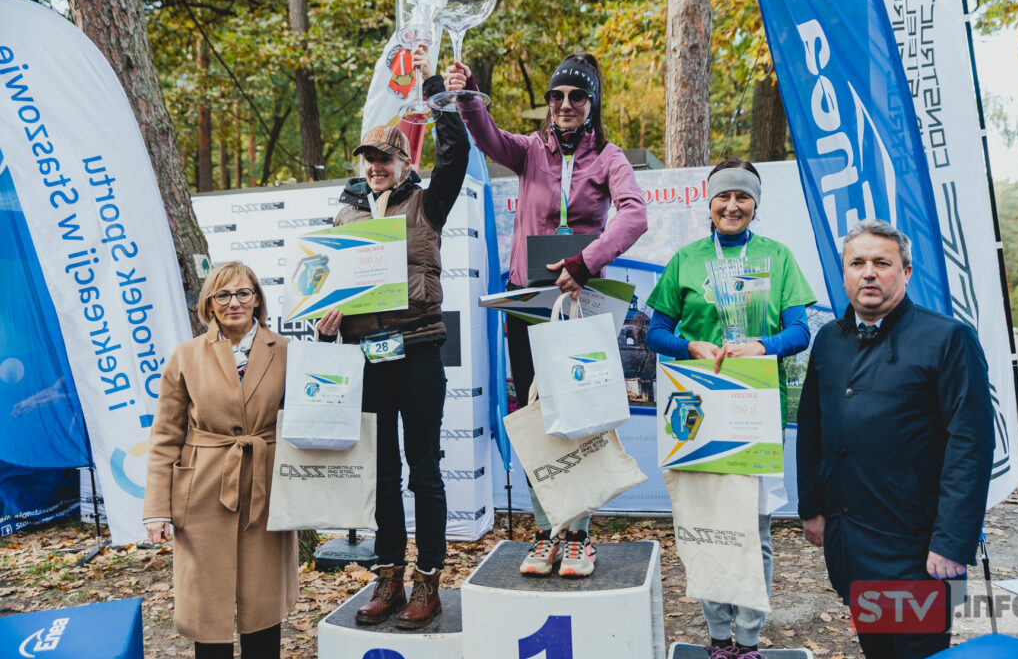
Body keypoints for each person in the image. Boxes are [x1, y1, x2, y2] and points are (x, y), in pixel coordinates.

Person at [445, 52, 648, 578]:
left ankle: (579, 535)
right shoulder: (531, 150)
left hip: (579, 301)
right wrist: (467, 95)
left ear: (591, 103)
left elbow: (635, 214)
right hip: (527, 302)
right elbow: (488, 137)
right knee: (538, 414)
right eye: (556, 96)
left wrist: (587, 261)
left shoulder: (609, 156)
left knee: (579, 412)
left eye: (576, 97)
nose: (564, 105)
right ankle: (544, 530)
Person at [316, 47, 469, 629]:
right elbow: (323, 284)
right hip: (367, 359)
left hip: (420, 348)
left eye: (385, 157)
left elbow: (455, 151)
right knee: (380, 472)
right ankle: (388, 575)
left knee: (423, 468)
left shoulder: (427, 202)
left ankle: (429, 579)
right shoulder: (345, 214)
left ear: (404, 160)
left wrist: (437, 89)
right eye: (369, 159)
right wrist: (324, 317)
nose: (376, 166)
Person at [796, 219, 994, 659]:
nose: (868, 272)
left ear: (905, 272)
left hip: (916, 545)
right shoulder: (829, 339)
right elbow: (811, 426)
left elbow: (972, 443)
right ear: (844, 273)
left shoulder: (948, 338)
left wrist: (951, 541)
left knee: (915, 650)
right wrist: (811, 507)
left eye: (882, 263)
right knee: (877, 648)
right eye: (857, 263)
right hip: (850, 537)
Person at [644, 158, 816, 659]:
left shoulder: (777, 257)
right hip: (696, 409)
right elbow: (656, 332)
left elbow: (800, 332)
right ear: (710, 203)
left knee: (753, 529)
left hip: (753, 407)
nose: (733, 205)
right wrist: (689, 346)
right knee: (707, 525)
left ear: (755, 205)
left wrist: (762, 347)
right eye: (724, 196)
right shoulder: (687, 259)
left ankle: (748, 640)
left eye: (743, 197)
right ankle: (718, 637)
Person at [143, 262, 295, 659]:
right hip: (204, 488)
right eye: (222, 295)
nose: (234, 303)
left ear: (258, 299)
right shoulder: (185, 356)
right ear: (209, 304)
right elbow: (164, 437)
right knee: (207, 604)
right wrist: (156, 509)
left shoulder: (285, 351)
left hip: (267, 487)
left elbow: (311, 415)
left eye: (243, 293)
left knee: (263, 602)